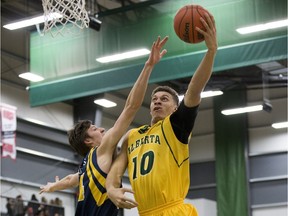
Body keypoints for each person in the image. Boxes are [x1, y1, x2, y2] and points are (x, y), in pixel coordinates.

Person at [39, 35, 169, 216]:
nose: (101, 129)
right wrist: (148, 66)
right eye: (94, 129)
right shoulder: (102, 150)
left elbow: (70, 180)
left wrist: (53, 186)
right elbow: (131, 107)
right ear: (88, 141)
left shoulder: (85, 167)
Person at [106, 12, 217, 216]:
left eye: (164, 99)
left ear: (176, 109)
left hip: (173, 211)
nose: (157, 101)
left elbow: (194, 90)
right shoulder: (133, 136)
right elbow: (117, 168)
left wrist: (211, 51)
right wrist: (111, 188)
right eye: (154, 99)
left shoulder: (176, 127)